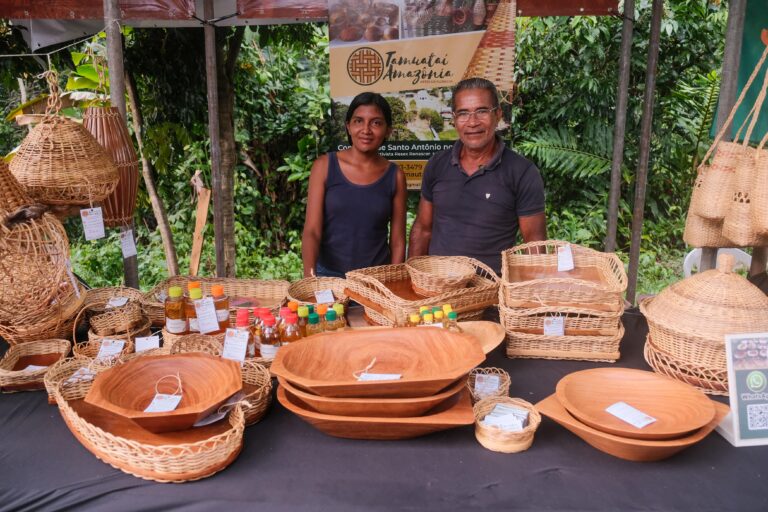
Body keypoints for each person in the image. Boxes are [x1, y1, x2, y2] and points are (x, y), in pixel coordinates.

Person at [408, 77, 547, 274]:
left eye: (482, 111)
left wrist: (531, 289)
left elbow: (534, 244)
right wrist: (412, 279)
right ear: (454, 119)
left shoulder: (522, 172)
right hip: (438, 286)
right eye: (463, 113)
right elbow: (423, 229)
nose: (472, 122)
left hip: (492, 289)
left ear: (498, 114)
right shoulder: (437, 164)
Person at [302, 92, 407, 278]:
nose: (366, 130)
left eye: (376, 123)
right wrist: (310, 277)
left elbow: (397, 241)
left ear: (388, 130)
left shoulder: (395, 175)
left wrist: (394, 280)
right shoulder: (324, 166)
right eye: (358, 121)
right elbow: (312, 231)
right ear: (348, 127)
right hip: (329, 277)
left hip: (376, 279)